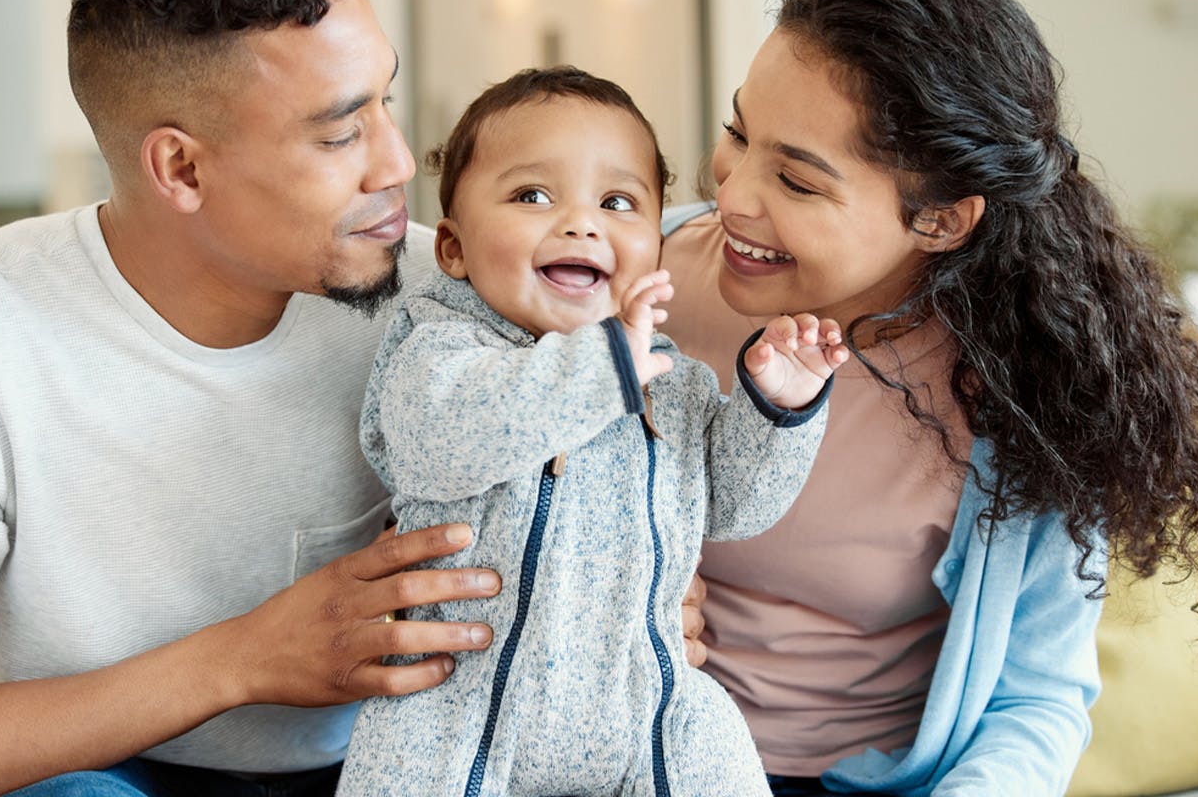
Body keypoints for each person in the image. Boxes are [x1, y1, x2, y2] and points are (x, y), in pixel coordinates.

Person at [0, 0, 515, 797]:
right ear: (180, 169)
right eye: (340, 134)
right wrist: (243, 660)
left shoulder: (446, 293)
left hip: (392, 762)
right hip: (97, 774)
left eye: (387, 101)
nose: (398, 164)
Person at [659, 0, 1198, 796]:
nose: (731, 195)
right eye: (736, 133)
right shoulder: (623, 281)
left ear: (938, 220)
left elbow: (1036, 700)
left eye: (794, 179)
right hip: (630, 754)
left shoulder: (1025, 392)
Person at [337, 66, 848, 797]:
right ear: (452, 249)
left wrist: (778, 407)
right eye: (532, 195)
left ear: (656, 250)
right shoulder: (440, 352)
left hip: (648, 706)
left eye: (617, 202)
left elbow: (734, 507)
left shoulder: (670, 382)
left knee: (715, 746)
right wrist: (602, 367)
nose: (582, 224)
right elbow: (443, 444)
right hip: (459, 706)